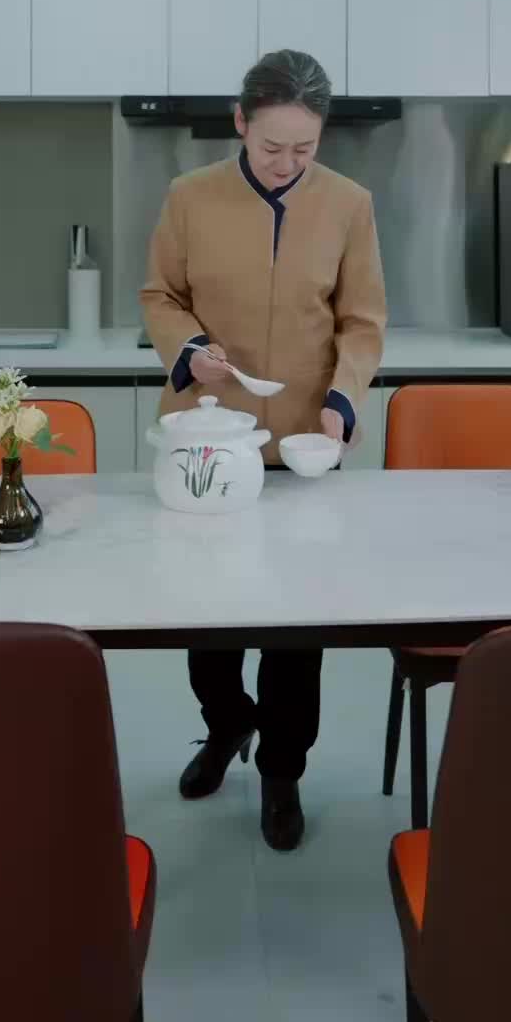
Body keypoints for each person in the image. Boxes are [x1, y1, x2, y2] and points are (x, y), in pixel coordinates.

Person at [140, 48, 387, 851]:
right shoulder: (190, 197)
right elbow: (161, 294)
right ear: (240, 122)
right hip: (209, 438)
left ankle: (283, 772)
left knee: (294, 635)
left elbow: (362, 321)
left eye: (304, 149)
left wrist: (343, 402)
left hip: (305, 442)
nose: (287, 163)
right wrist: (189, 348)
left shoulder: (348, 204)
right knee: (206, 622)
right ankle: (226, 724)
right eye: (273, 145)